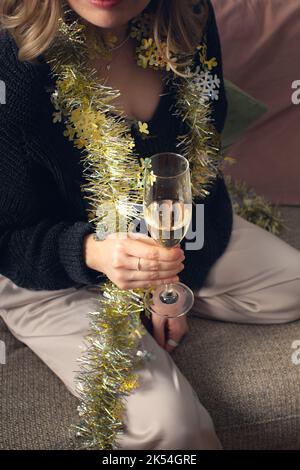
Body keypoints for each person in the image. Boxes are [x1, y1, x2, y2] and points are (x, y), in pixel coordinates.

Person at [0, 0, 299, 450]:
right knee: (174, 428)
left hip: (171, 233)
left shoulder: (188, 17)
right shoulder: (13, 60)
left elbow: (200, 165)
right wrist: (93, 253)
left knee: (293, 285)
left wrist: (167, 285)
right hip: (51, 269)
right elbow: (8, 239)